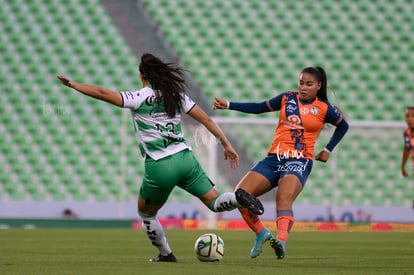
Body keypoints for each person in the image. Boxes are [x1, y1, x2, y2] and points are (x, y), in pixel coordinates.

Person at [57, 53, 263, 262]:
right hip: (185, 159)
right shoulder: (176, 95)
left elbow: (101, 93)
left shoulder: (137, 97)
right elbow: (207, 119)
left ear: (142, 75)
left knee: (146, 213)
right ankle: (237, 198)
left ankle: (166, 254)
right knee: (215, 201)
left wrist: (74, 84)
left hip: (160, 165)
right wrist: (226, 144)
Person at [214, 66, 349, 259]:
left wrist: (327, 149)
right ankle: (261, 233)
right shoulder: (287, 98)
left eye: (309, 84)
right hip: (274, 159)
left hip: (299, 160)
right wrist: (228, 104)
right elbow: (259, 107)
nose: (303, 87)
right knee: (240, 195)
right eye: (301, 83)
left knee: (283, 198)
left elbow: (344, 125)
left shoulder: (324, 109)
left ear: (318, 86)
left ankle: (281, 242)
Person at [401, 106, 414, 208]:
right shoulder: (406, 133)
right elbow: (407, 148)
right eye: (407, 116)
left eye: (413, 116)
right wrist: (403, 166)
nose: (409, 118)